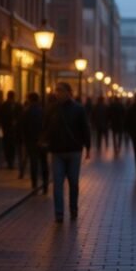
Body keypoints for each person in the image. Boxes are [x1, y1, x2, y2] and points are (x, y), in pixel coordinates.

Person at [42, 82, 92, 223]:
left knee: (73, 182)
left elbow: (85, 128)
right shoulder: (51, 109)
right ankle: (59, 213)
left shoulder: (78, 109)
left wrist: (88, 147)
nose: (58, 93)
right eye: (56, 91)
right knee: (57, 183)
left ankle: (73, 208)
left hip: (74, 151)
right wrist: (44, 141)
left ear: (69, 92)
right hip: (57, 151)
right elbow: (45, 128)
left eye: (61, 91)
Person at [20, 92, 48, 191]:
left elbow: (23, 128)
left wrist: (25, 140)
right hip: (42, 141)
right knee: (44, 163)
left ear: (30, 99)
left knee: (34, 163)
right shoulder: (43, 111)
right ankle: (45, 185)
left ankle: (34, 184)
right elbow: (47, 126)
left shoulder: (26, 112)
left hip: (31, 141)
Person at [0, 90, 21, 169]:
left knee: (9, 145)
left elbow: (0, 117)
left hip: (10, 129)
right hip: (9, 129)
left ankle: (10, 161)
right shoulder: (8, 105)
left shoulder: (13, 105)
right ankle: (10, 161)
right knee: (10, 145)